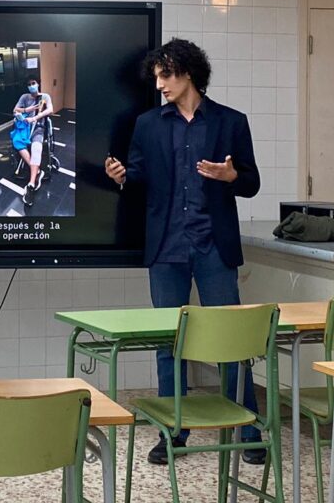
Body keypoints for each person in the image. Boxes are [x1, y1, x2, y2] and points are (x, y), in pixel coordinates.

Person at [104, 38, 263, 466]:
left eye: (166, 75)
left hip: (214, 246)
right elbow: (139, 178)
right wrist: (122, 177)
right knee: (168, 342)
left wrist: (230, 176)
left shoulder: (231, 121)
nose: (159, 85)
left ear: (188, 73)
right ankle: (172, 433)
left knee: (232, 338)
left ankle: (249, 429)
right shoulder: (148, 124)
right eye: (156, 77)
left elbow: (251, 182)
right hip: (166, 246)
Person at [13, 77, 53, 206]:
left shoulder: (45, 96)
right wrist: (27, 110)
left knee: (36, 149)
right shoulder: (24, 97)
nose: (31, 86)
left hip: (38, 128)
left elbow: (50, 110)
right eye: (29, 84)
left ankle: (31, 184)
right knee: (17, 142)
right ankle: (38, 171)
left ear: (38, 84)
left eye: (33, 83)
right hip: (24, 128)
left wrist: (35, 117)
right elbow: (15, 110)